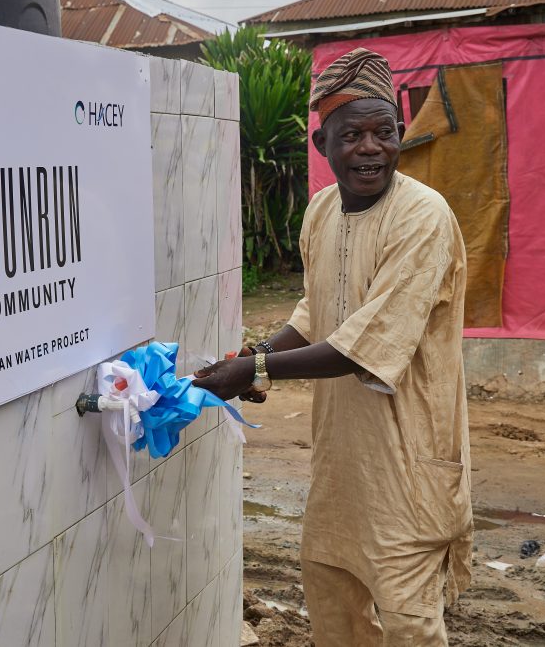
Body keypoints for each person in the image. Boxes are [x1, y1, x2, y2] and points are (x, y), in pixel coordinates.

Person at [193, 48, 473, 646]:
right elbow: (315, 313)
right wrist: (254, 361)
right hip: (341, 465)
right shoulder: (321, 212)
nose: (370, 148)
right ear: (322, 145)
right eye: (352, 135)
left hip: (409, 464)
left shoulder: (424, 216)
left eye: (384, 132)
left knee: (409, 624)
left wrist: (257, 366)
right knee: (333, 607)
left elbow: (362, 344)